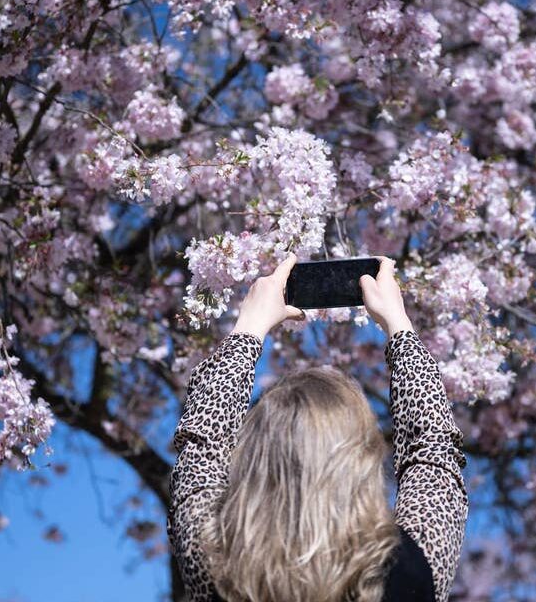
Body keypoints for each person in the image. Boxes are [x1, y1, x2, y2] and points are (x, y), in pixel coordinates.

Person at [167, 255, 469, 602]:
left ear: (253, 456)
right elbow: (434, 451)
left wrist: (248, 328)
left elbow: (202, 446)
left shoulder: (214, 560)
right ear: (362, 459)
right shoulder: (412, 571)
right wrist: (398, 325)